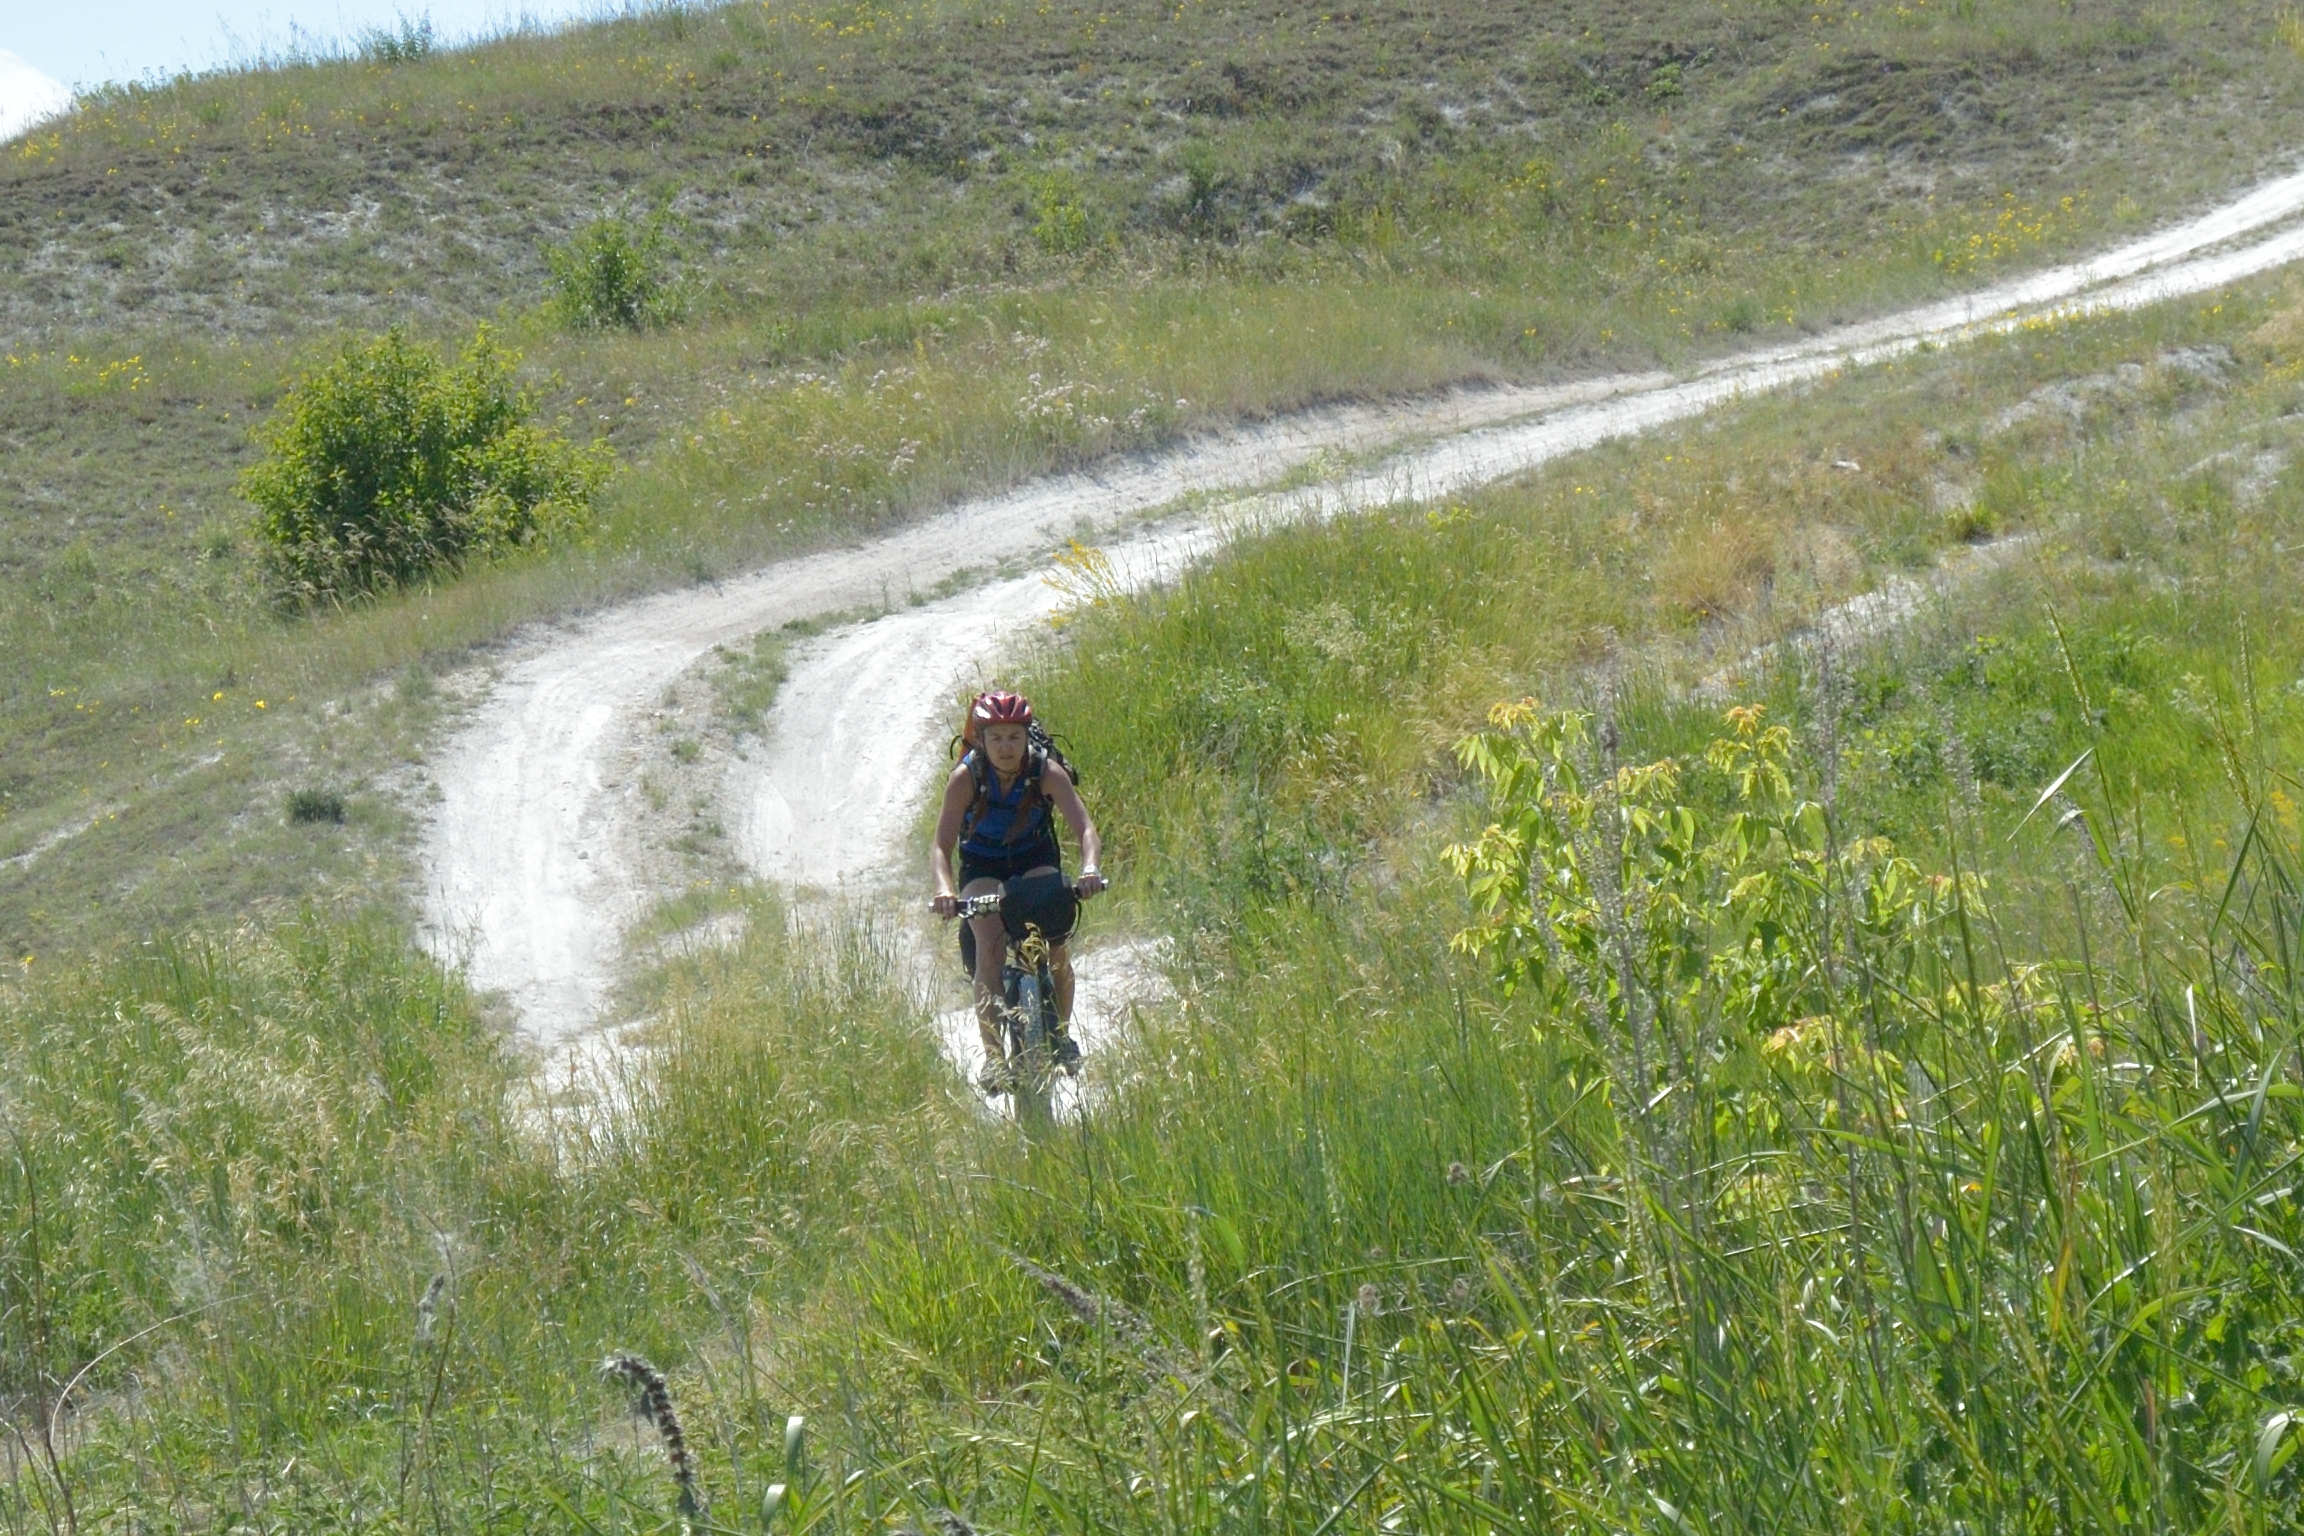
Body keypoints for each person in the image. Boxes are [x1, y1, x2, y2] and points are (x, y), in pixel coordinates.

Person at [930, 690, 1105, 1095]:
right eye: (996, 738)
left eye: (1014, 737)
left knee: (1054, 945)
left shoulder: (1045, 772)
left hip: (1034, 856)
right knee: (989, 948)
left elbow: (1085, 829)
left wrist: (1090, 868)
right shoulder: (965, 779)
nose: (1006, 747)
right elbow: (940, 846)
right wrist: (945, 889)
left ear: (1027, 738)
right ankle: (994, 1060)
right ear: (981, 740)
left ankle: (1061, 1036)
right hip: (983, 865)